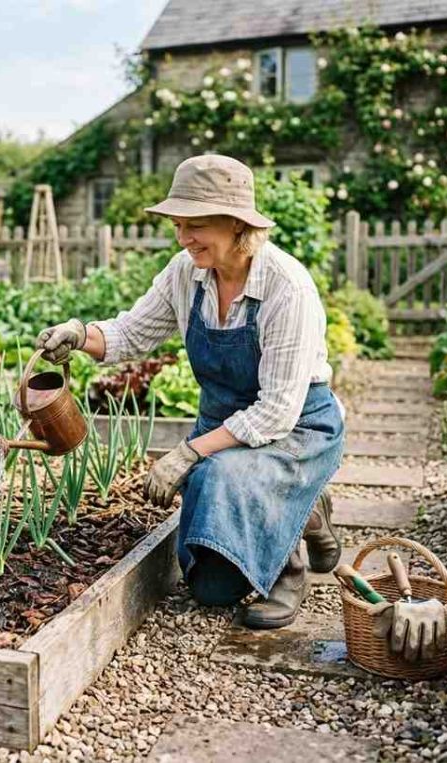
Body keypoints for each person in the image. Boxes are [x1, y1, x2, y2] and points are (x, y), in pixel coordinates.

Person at [35, 154, 345, 629]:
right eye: (179, 225)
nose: (183, 238)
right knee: (212, 588)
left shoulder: (287, 288)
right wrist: (79, 334)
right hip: (224, 425)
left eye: (195, 225)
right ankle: (308, 510)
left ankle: (290, 567)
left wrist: (188, 452)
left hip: (297, 427)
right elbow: (133, 333)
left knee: (219, 474)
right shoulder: (187, 272)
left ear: (237, 225)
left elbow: (276, 413)